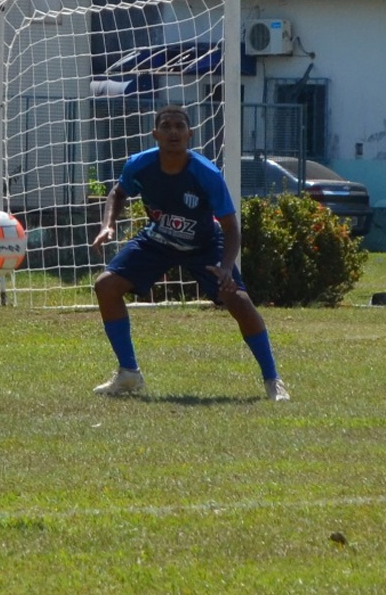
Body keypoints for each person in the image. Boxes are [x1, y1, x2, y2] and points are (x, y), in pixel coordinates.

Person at [90, 105, 290, 402]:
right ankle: (129, 373)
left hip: (204, 245)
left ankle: (273, 379)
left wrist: (225, 267)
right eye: (167, 126)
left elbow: (231, 226)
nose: (174, 132)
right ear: (155, 133)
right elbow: (118, 193)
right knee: (105, 285)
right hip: (157, 239)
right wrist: (108, 225)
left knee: (238, 299)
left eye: (180, 126)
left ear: (190, 134)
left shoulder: (206, 173)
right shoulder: (139, 164)